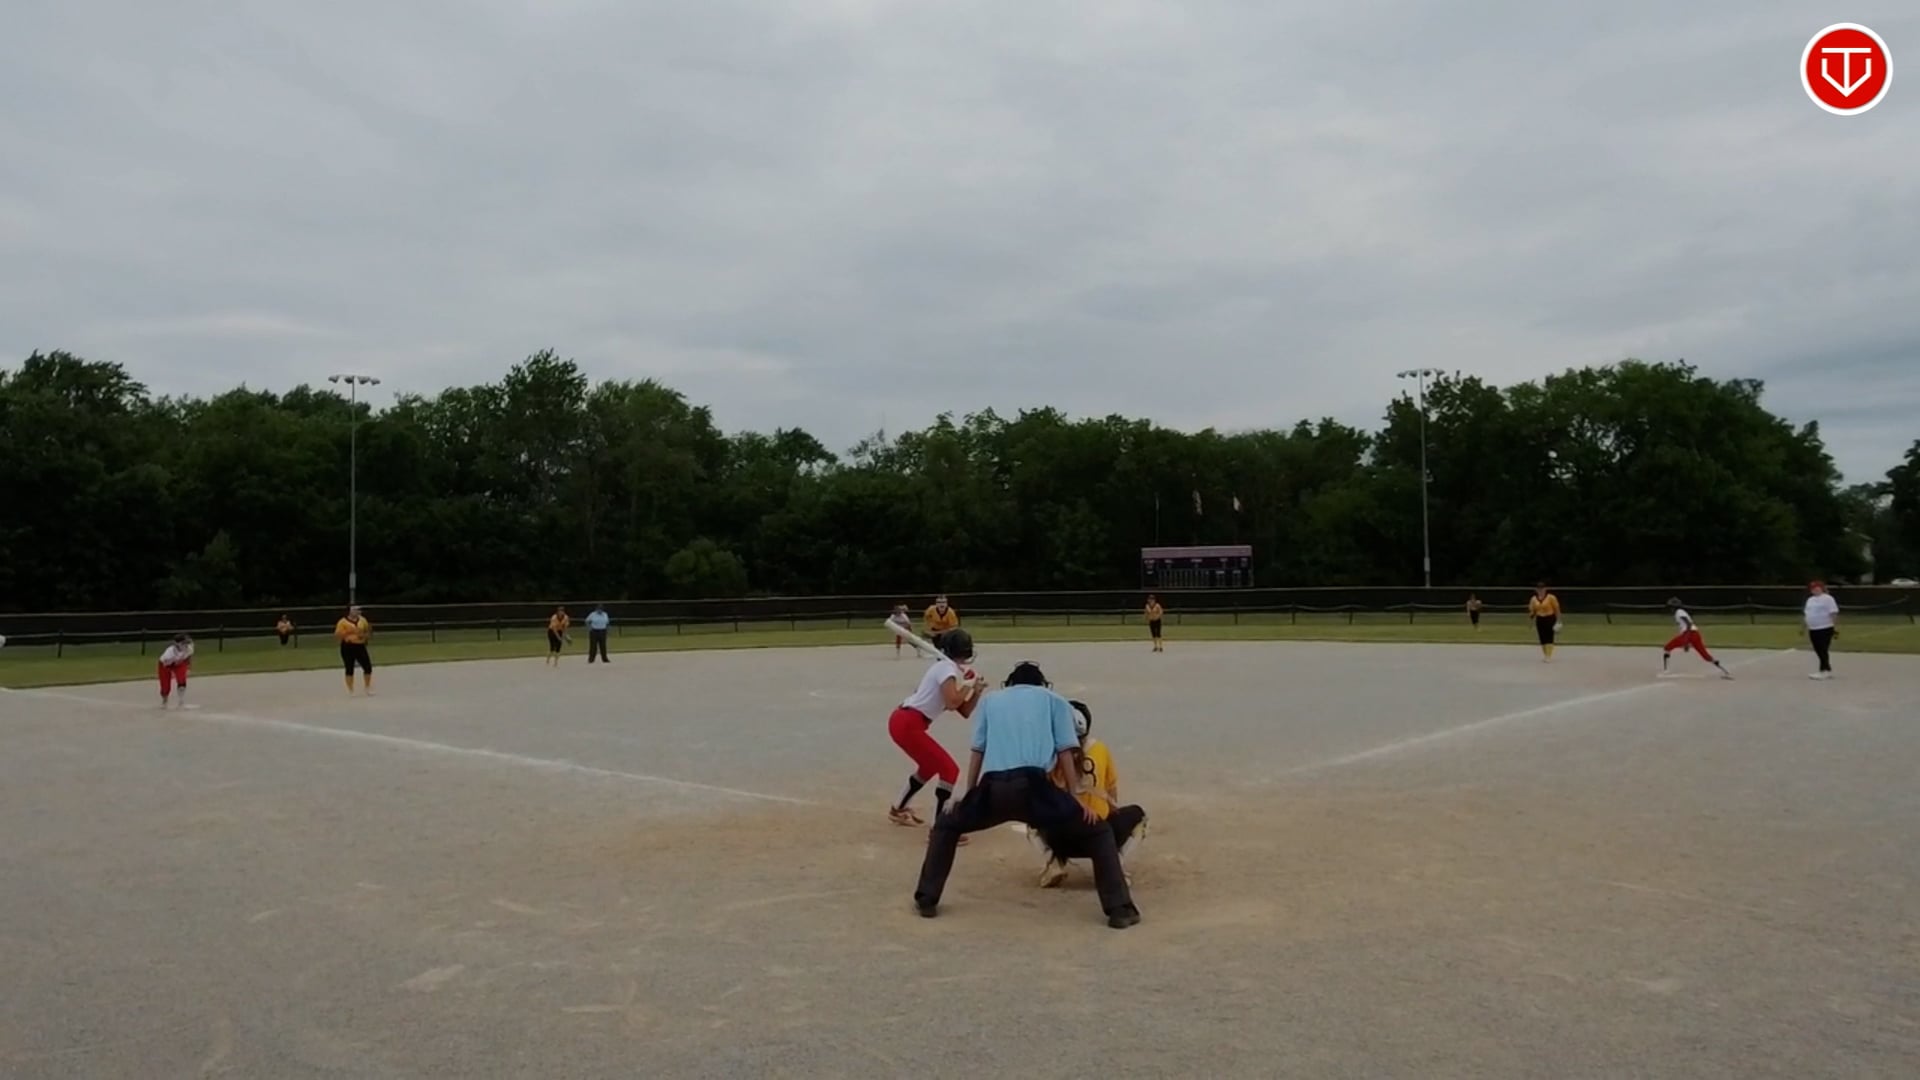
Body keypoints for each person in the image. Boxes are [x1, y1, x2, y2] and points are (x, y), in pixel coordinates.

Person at [913, 660, 1142, 930]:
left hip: (994, 787)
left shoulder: (991, 701)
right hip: (1035, 787)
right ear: (1041, 684)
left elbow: (978, 751)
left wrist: (970, 795)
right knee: (1099, 832)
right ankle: (1119, 909)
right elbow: (1065, 751)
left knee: (946, 824)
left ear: (1010, 684)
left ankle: (926, 898)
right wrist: (1075, 799)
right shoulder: (1054, 700)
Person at [1029, 699, 1148, 888]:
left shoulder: (1050, 752)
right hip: (1102, 835)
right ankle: (1113, 863)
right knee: (1140, 815)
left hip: (1061, 837)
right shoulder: (1100, 749)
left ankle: (1054, 861)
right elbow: (1112, 791)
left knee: (1030, 813)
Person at [887, 628, 984, 834]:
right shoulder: (945, 668)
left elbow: (964, 711)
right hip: (908, 722)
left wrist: (976, 691)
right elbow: (951, 703)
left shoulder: (948, 669)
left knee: (930, 766)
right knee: (949, 770)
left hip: (907, 721)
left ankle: (899, 808)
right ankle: (941, 828)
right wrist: (967, 684)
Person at [1662, 598, 1732, 679]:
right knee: (1705, 655)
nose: (1670, 609)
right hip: (1695, 634)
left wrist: (1686, 641)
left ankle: (1666, 670)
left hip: (1689, 633)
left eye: (1671, 607)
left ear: (1674, 607)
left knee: (1667, 647)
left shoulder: (1679, 612)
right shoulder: (1680, 612)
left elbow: (1688, 624)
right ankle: (1725, 671)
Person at [1804, 580, 1840, 680]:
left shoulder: (1828, 598)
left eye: (1817, 587)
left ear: (1821, 588)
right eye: (1813, 588)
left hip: (1825, 627)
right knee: (1818, 649)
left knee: (1822, 649)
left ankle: (1824, 670)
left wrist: (1835, 627)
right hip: (1813, 628)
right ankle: (1826, 669)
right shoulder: (1810, 600)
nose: (1815, 590)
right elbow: (1807, 614)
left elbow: (1833, 613)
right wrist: (1803, 627)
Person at [334, 605, 373, 695]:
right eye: (355, 610)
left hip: (360, 646)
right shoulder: (342, 622)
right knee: (349, 667)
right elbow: (337, 635)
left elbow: (368, 631)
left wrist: (364, 636)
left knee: (367, 667)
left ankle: (367, 687)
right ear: (350, 611)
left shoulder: (363, 620)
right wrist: (349, 631)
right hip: (348, 646)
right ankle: (350, 690)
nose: (358, 611)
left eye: (358, 610)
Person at [156, 632, 194, 709]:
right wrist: (172, 672)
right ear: (178, 644)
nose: (186, 644)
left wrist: (188, 667)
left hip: (179, 662)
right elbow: (166, 664)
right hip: (165, 665)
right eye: (184, 642)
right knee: (165, 685)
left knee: (181, 679)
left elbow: (188, 657)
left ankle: (181, 701)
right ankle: (165, 701)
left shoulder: (189, 648)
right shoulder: (169, 653)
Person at [1527, 582, 1561, 661]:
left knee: (1549, 636)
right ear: (1536, 590)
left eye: (1542, 589)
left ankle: (1548, 656)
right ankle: (1546, 655)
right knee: (1542, 637)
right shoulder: (1533, 599)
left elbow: (1557, 609)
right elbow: (1532, 610)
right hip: (1540, 619)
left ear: (1545, 589)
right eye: (1539, 589)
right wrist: (1531, 618)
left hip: (1550, 618)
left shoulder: (1551, 597)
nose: (1541, 590)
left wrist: (1558, 620)